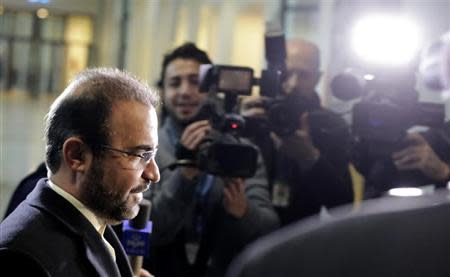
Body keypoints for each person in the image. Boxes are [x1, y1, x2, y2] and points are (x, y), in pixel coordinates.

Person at [0, 68, 160, 277]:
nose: (153, 174)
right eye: (139, 155)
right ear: (77, 156)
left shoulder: (95, 218)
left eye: (152, 154)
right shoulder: (21, 259)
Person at [145, 43, 279, 277]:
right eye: (175, 83)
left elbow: (270, 228)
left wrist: (243, 211)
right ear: (163, 92)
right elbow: (144, 228)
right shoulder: (147, 150)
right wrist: (184, 176)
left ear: (212, 89)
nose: (185, 91)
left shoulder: (241, 151)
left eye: (195, 82)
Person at [240, 38, 354, 225]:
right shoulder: (252, 113)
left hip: (298, 239)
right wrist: (239, 131)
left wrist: (311, 158)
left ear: (318, 78)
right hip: (247, 233)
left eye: (304, 75)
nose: (293, 84)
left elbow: (342, 206)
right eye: (287, 73)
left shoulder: (332, 126)